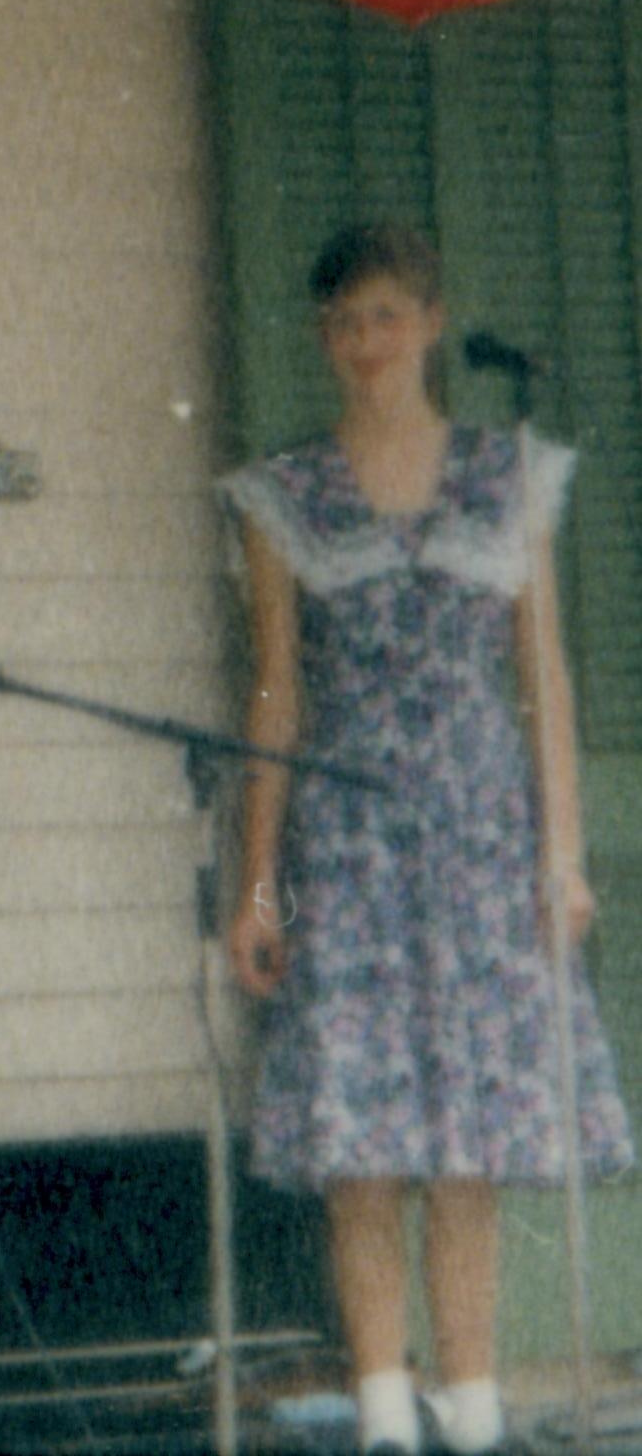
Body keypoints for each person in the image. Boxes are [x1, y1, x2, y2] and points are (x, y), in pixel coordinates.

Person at [222, 224, 631, 1456]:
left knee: (471, 1154)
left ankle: (477, 1412)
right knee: (366, 1154)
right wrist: (257, 887)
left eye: (387, 318)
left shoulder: (508, 474)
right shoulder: (285, 495)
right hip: (347, 846)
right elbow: (277, 693)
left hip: (480, 837)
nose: (364, 345)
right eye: (343, 323)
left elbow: (542, 674)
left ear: (434, 324)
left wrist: (562, 856)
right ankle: (387, 1416)